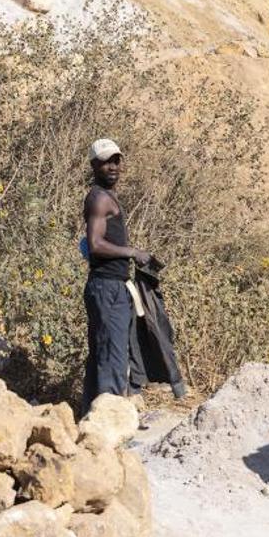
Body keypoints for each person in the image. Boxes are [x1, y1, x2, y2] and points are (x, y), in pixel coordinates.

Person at [81, 137, 152, 415]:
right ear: (94, 165)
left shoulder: (106, 197)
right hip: (107, 288)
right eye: (105, 162)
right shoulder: (98, 198)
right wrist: (132, 252)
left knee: (103, 352)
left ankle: (90, 418)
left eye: (116, 160)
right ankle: (107, 425)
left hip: (111, 287)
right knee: (112, 355)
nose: (112, 167)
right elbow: (96, 244)